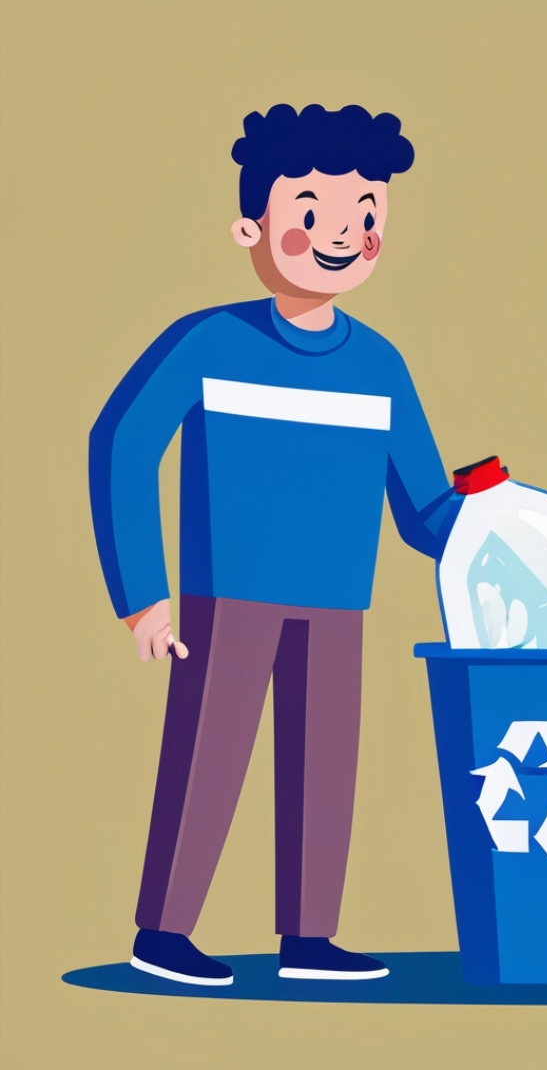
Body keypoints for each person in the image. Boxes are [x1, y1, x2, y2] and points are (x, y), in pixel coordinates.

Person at [89, 103, 458, 986]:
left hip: (339, 603)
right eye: (314, 211)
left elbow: (425, 508)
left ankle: (310, 938)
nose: (342, 233)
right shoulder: (211, 342)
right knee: (209, 757)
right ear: (251, 229)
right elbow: (122, 444)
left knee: (325, 766)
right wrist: (143, 595)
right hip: (229, 598)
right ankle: (163, 932)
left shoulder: (380, 365)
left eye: (366, 213)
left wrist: (503, 532)